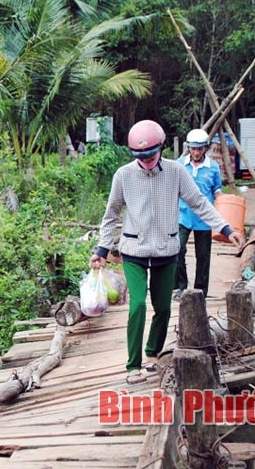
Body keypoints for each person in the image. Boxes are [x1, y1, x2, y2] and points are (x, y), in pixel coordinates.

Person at [89, 120, 244, 385]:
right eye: (141, 156)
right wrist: (102, 249)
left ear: (161, 148)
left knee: (163, 308)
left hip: (166, 250)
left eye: (151, 155)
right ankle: (132, 365)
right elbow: (111, 214)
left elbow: (199, 202)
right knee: (137, 305)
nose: (147, 160)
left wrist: (226, 229)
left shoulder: (175, 171)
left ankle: (152, 353)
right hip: (134, 250)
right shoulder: (124, 175)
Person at [173, 129, 224, 300]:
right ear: (188, 147)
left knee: (203, 255)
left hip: (204, 218)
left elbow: (217, 191)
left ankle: (201, 290)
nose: (196, 152)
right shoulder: (179, 165)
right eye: (193, 148)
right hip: (183, 215)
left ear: (205, 149)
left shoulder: (213, 168)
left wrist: (224, 208)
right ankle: (180, 287)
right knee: (177, 249)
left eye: (200, 149)